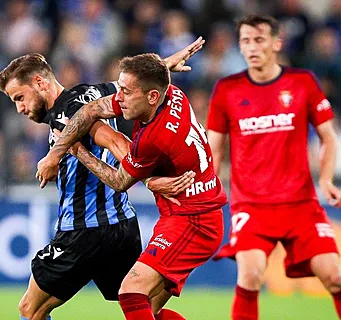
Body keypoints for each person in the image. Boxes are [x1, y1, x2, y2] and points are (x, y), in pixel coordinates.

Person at [0, 38, 204, 320]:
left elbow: (116, 141)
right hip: (122, 227)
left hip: (84, 230)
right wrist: (164, 64)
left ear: (40, 83)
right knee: (146, 308)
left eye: (20, 97)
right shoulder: (95, 92)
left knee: (30, 310)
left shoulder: (65, 115)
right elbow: (133, 88)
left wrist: (147, 179)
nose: (20, 108)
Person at [37, 53, 228, 320]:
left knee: (130, 292)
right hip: (185, 214)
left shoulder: (155, 138)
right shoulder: (172, 94)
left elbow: (119, 182)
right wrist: (56, 154)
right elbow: (92, 109)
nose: (120, 97)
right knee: (148, 310)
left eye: (126, 91)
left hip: (194, 221)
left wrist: (78, 150)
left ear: (151, 97)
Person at [205, 15, 341, 320]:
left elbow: (328, 138)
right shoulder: (227, 89)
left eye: (259, 39)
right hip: (251, 205)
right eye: (245, 40)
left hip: (300, 204)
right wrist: (207, 191)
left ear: (276, 43)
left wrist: (328, 180)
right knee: (250, 275)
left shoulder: (302, 82)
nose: (252, 47)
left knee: (333, 276)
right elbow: (213, 148)